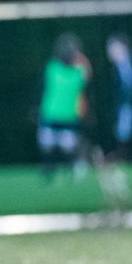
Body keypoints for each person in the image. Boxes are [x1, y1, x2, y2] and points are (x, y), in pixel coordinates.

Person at [38, 32, 90, 181]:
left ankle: (65, 172)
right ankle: (51, 173)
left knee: (64, 147)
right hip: (53, 113)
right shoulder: (58, 69)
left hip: (65, 114)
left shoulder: (55, 68)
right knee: (49, 145)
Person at [105, 33, 132, 161]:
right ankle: (119, 158)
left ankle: (125, 158)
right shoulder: (112, 69)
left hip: (128, 104)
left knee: (125, 132)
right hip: (119, 106)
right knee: (120, 132)